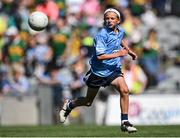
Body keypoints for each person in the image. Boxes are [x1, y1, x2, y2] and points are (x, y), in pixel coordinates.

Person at [59, 8, 137, 133]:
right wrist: (120, 54)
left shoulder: (120, 31)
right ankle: (69, 105)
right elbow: (100, 56)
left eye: (112, 18)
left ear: (118, 20)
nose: (109, 20)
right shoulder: (101, 35)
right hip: (98, 72)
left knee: (124, 90)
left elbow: (120, 40)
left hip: (113, 70)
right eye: (107, 18)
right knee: (88, 102)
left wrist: (129, 51)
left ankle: (124, 122)